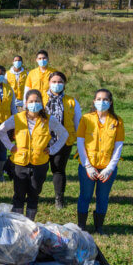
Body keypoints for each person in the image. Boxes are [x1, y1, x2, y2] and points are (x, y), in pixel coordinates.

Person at [0, 90, 68, 220]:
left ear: (41, 103)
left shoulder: (48, 120)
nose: (34, 104)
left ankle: (30, 224)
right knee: (18, 194)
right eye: (31, 101)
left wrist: (53, 149)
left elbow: (64, 134)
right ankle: (19, 223)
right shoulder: (18, 118)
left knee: (34, 194)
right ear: (26, 103)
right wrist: (10, 146)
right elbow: (0, 130)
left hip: (39, 163)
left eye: (37, 101)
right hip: (20, 163)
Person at [76, 89, 124, 234]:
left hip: (107, 168)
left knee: (102, 198)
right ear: (94, 101)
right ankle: (82, 227)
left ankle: (99, 227)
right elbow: (80, 143)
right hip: (87, 167)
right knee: (85, 196)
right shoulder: (86, 119)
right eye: (98, 99)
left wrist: (110, 168)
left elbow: (118, 146)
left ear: (110, 102)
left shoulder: (117, 121)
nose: (101, 102)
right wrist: (88, 166)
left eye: (105, 99)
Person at [43, 71, 80, 208]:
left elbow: (78, 122)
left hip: (63, 141)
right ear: (49, 83)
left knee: (58, 169)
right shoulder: (40, 98)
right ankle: (34, 195)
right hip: (43, 141)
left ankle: (59, 198)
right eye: (54, 82)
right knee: (39, 169)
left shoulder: (71, 101)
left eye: (60, 82)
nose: (57, 84)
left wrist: (80, 142)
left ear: (64, 84)